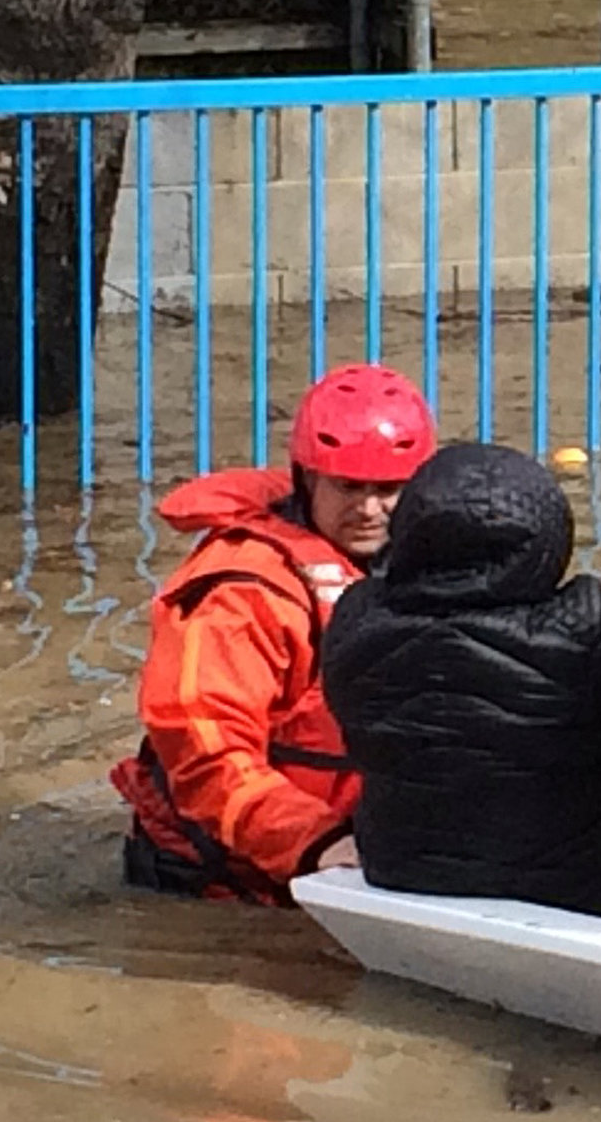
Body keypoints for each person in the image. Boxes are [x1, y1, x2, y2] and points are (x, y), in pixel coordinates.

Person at [114, 363, 436, 901]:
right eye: (349, 487)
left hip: (343, 850)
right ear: (307, 478)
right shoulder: (242, 591)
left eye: (389, 489)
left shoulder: (419, 561)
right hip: (221, 882)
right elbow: (205, 747)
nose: (369, 509)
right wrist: (318, 845)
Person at [324, 443, 601, 919]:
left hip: (400, 868)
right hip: (567, 883)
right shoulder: (583, 624)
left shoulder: (355, 618)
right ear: (547, 536)